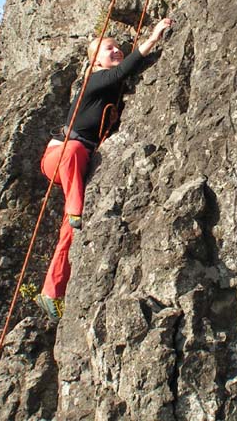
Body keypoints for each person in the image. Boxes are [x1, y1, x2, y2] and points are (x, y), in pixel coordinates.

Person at [35, 18, 173, 320]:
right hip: (61, 154)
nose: (117, 50)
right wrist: (153, 38)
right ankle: (76, 208)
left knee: (69, 233)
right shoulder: (94, 79)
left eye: (117, 46)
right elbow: (125, 70)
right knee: (73, 159)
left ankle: (51, 292)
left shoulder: (109, 86)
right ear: (95, 61)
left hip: (81, 160)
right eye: (109, 48)